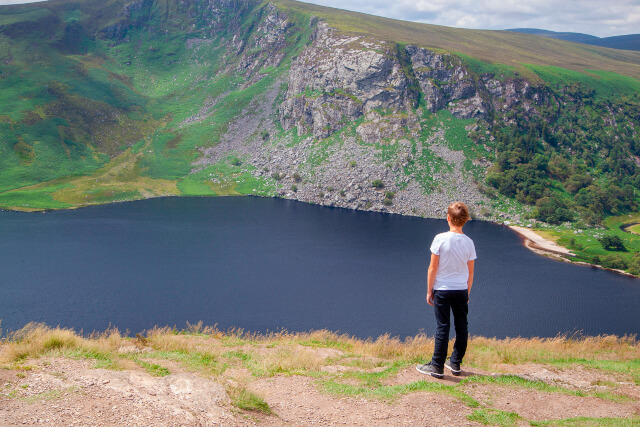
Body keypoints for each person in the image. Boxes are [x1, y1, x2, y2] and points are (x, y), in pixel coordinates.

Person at [417, 201, 476, 379]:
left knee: (443, 327)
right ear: (465, 220)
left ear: (448, 218)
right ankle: (455, 362)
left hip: (442, 289)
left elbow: (432, 269)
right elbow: (470, 271)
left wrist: (429, 291)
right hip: (460, 290)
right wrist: (467, 292)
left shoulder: (440, 239)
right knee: (461, 326)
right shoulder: (469, 242)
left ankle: (437, 366)